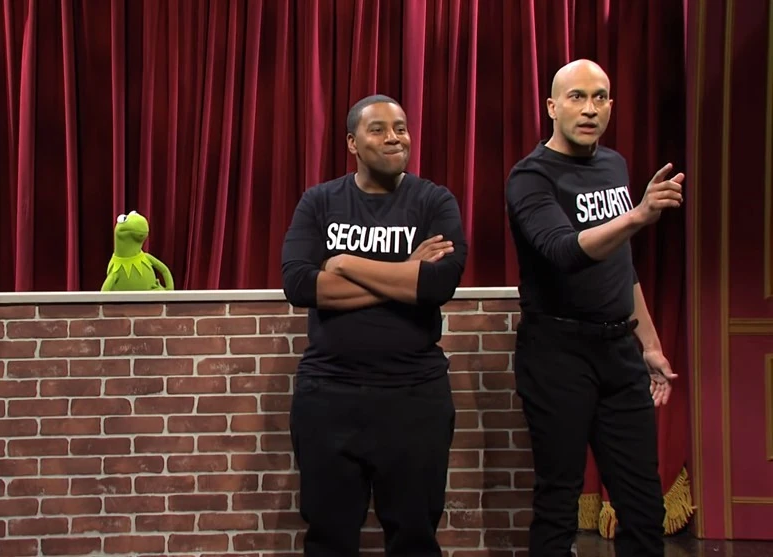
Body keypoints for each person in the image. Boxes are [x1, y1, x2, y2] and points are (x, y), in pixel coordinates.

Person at [504, 59, 684, 557]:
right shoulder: (530, 177)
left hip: (619, 351)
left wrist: (649, 344)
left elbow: (621, 266)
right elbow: (564, 251)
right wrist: (638, 216)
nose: (589, 109)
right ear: (551, 107)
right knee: (558, 500)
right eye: (577, 97)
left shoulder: (614, 165)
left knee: (643, 504)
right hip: (557, 352)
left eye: (600, 97)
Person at [281, 94, 467, 557]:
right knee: (329, 539)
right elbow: (300, 284)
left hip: (415, 397)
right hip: (328, 394)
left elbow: (438, 284)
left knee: (415, 539)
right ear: (352, 143)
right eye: (378, 129)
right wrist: (405, 272)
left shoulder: (433, 201)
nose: (393, 138)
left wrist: (345, 263)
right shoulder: (319, 201)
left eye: (400, 128)